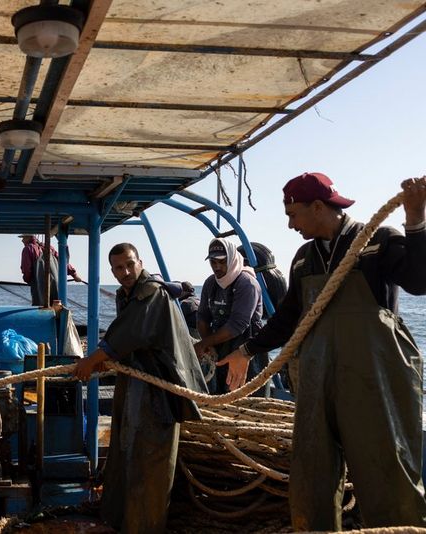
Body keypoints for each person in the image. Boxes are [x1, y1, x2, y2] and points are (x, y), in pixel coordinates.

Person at [218, 172, 426, 530]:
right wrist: (247, 350)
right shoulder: (303, 259)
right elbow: (288, 318)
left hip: (372, 380)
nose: (289, 224)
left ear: (318, 207)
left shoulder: (377, 241)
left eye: (293, 214)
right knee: (312, 471)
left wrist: (416, 220)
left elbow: (420, 281)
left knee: (385, 468)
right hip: (318, 379)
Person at [73, 243, 207, 533]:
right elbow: (128, 337)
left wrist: (92, 360)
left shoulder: (151, 292)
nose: (126, 272)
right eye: (119, 268)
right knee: (128, 451)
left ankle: (144, 526)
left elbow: (131, 331)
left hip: (159, 388)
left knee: (151, 462)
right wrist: (106, 359)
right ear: (112, 271)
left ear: (140, 262)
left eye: (130, 265)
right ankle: (123, 520)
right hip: (139, 380)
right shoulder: (128, 294)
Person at [194, 238, 268, 395]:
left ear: (232, 258)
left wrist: (203, 343)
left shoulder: (247, 283)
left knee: (247, 403)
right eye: (213, 262)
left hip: (247, 351)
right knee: (219, 399)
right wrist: (209, 346)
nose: (217, 267)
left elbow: (237, 324)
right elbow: (202, 317)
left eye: (222, 261)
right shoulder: (210, 283)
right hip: (219, 350)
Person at [19, 234, 82, 306]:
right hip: (55, 284)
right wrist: (74, 275)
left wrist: (28, 280)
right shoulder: (48, 247)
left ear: (29, 237)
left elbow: (26, 269)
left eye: (24, 238)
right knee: (56, 307)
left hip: (39, 285)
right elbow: (62, 262)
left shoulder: (28, 249)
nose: (22, 240)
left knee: (40, 307)